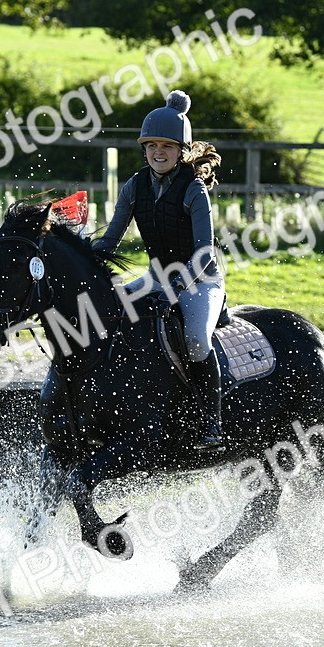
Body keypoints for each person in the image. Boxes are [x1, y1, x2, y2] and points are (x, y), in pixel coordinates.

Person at [92, 89, 226, 452]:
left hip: (200, 280)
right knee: (109, 314)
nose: (157, 153)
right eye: (151, 145)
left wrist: (177, 286)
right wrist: (79, 256)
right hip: (156, 276)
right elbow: (110, 241)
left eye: (166, 146)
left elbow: (204, 251)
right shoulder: (134, 186)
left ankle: (212, 424)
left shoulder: (194, 189)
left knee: (197, 341)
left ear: (181, 150)